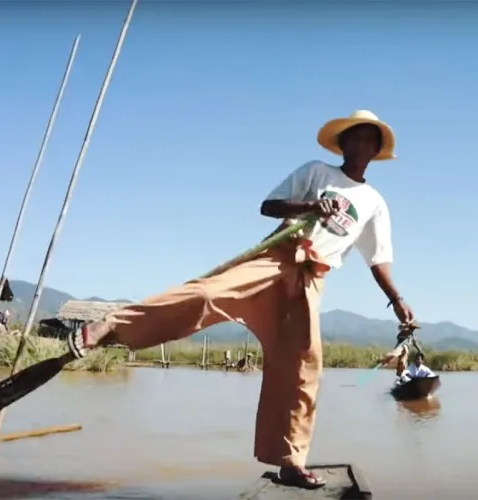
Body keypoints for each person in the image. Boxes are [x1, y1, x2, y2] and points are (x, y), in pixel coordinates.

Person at [67, 109, 415, 489]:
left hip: (311, 278)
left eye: (370, 139)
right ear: (344, 142)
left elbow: (378, 259)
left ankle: (290, 461)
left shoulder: (374, 202)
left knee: (305, 366)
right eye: (356, 136)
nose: (362, 144)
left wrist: (397, 300)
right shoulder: (317, 172)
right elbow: (269, 206)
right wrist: (310, 207)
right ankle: (109, 327)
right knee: (205, 294)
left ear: (376, 150)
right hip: (278, 256)